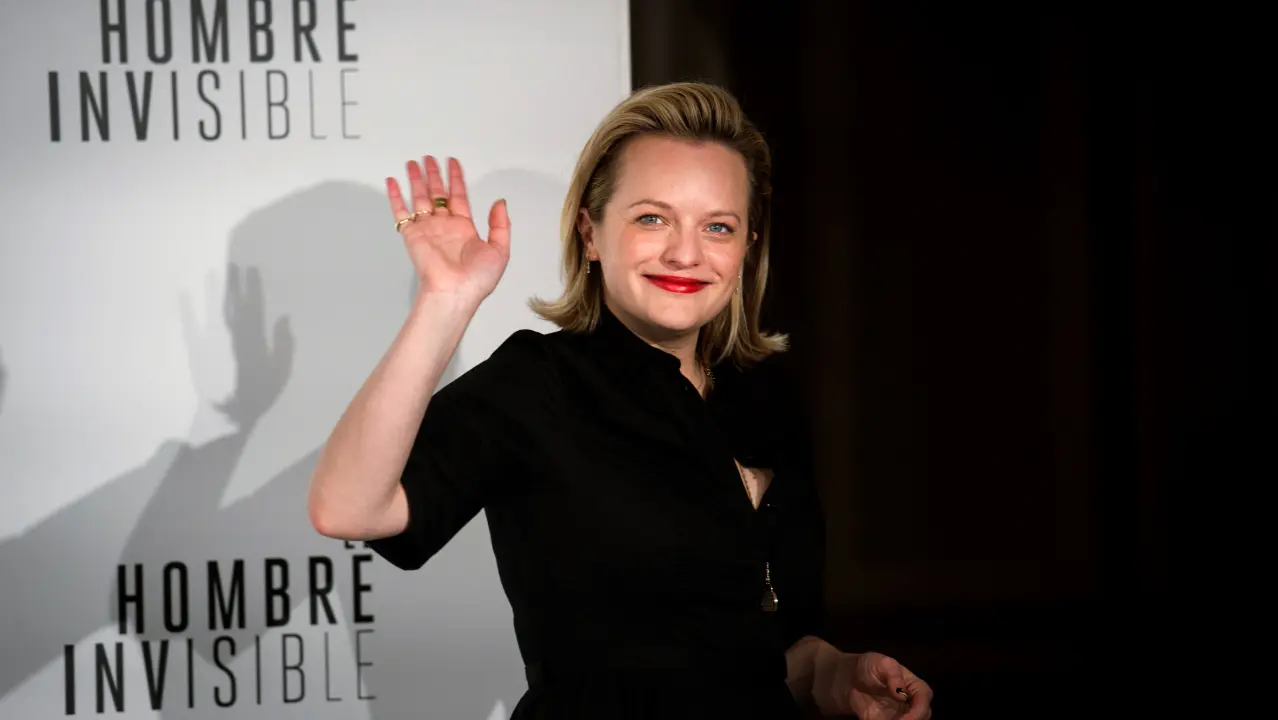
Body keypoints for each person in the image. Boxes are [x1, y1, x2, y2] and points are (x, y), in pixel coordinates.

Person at [307, 82, 933, 719]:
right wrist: (446, 301)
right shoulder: (539, 383)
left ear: (747, 247)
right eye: (652, 218)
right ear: (591, 232)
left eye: (717, 226)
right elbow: (348, 508)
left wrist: (833, 674)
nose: (685, 253)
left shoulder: (764, 397)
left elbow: (757, 656)